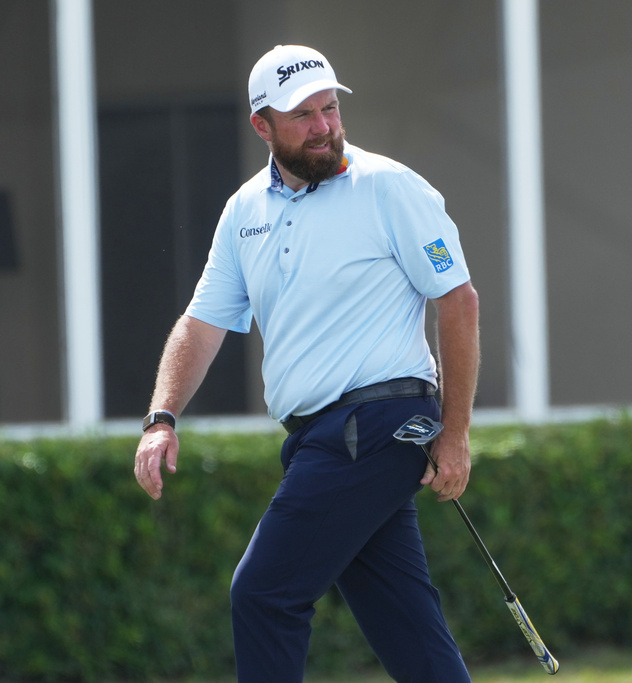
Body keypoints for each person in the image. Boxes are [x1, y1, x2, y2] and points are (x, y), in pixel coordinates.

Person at [133, 44, 479, 683]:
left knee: (263, 593)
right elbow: (202, 323)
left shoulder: (389, 187)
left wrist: (454, 434)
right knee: (403, 624)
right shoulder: (244, 213)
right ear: (262, 125)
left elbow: (458, 301)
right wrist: (162, 416)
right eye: (303, 115)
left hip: (378, 425)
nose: (323, 125)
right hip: (321, 439)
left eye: (329, 108)